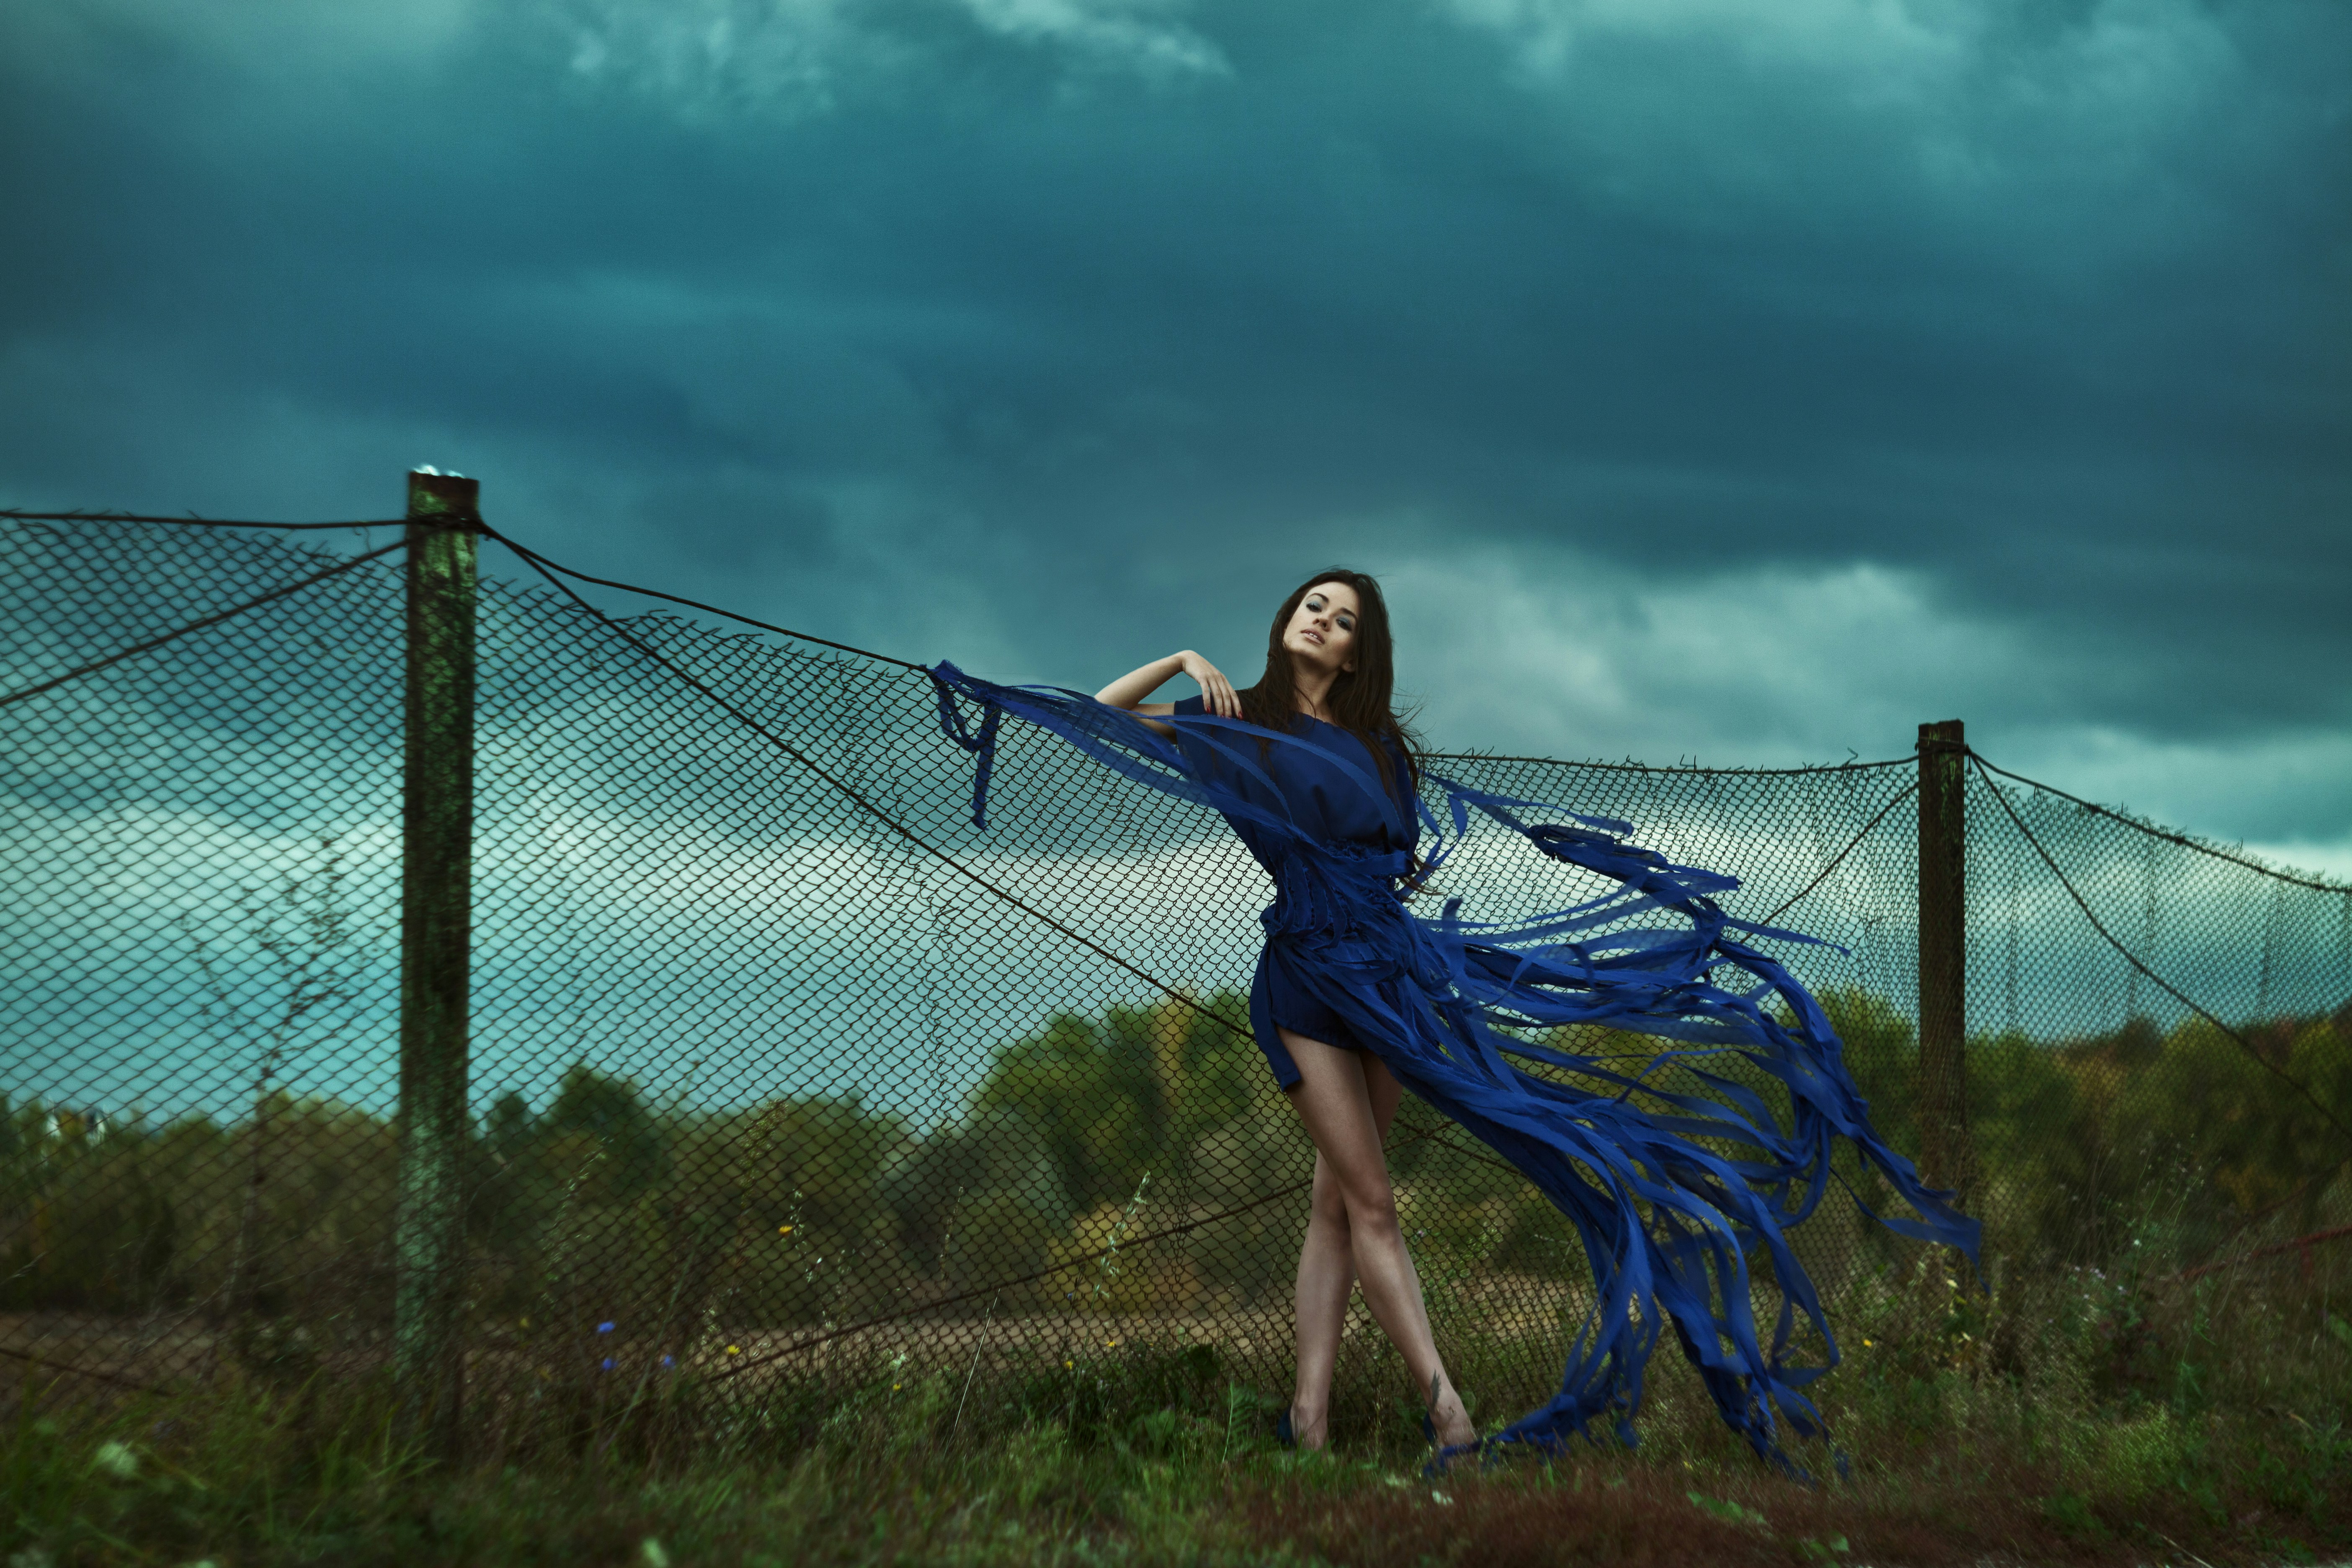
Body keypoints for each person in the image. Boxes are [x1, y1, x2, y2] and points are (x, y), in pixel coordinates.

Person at [928, 570, 1975, 1473]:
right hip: (1307, 977)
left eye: (1342, 618)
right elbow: (1096, 716)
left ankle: (1309, 1421)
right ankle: (1451, 1417)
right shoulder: (1233, 717)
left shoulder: (1382, 745)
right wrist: (1178, 658)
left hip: (1395, 976)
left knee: (1338, 1206)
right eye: (1311, 605)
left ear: (1358, 652)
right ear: (1286, 621)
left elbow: (1398, 857)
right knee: (1375, 1204)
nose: (1320, 620)